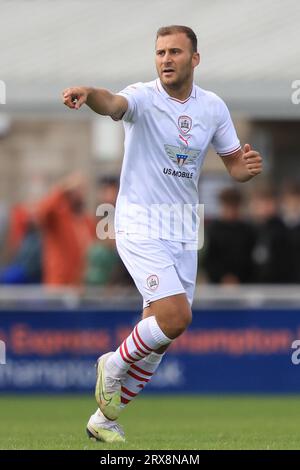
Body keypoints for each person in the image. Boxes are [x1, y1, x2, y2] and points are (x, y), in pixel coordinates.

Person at [62, 25, 263, 443]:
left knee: (162, 333)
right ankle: (112, 365)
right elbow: (112, 102)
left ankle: (104, 420)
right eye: (160, 52)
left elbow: (234, 167)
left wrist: (248, 167)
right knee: (175, 316)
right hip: (140, 224)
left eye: (175, 51)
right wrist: (88, 92)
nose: (166, 59)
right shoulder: (142, 97)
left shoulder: (212, 107)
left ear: (195, 58)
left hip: (184, 230)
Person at [202, 187, 255, 284]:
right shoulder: (212, 230)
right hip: (217, 285)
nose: (231, 211)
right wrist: (222, 277)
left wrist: (238, 279)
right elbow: (208, 259)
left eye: (234, 207)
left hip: (244, 284)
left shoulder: (247, 230)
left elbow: (250, 259)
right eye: (228, 206)